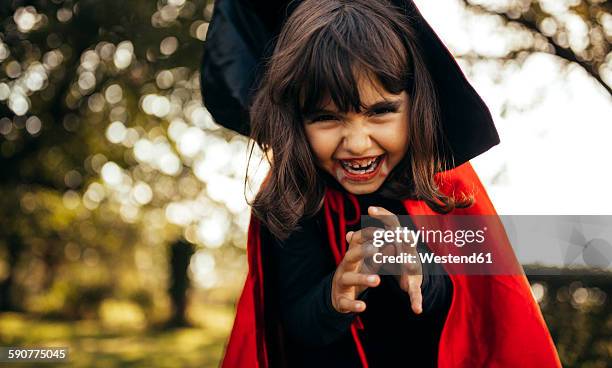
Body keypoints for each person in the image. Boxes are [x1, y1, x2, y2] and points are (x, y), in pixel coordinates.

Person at [201, 0, 562, 367]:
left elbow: (469, 310)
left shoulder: (445, 189)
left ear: (416, 105)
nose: (357, 143)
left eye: (380, 112)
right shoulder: (290, 199)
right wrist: (335, 296)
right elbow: (295, 323)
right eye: (326, 117)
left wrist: (421, 268)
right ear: (294, 121)